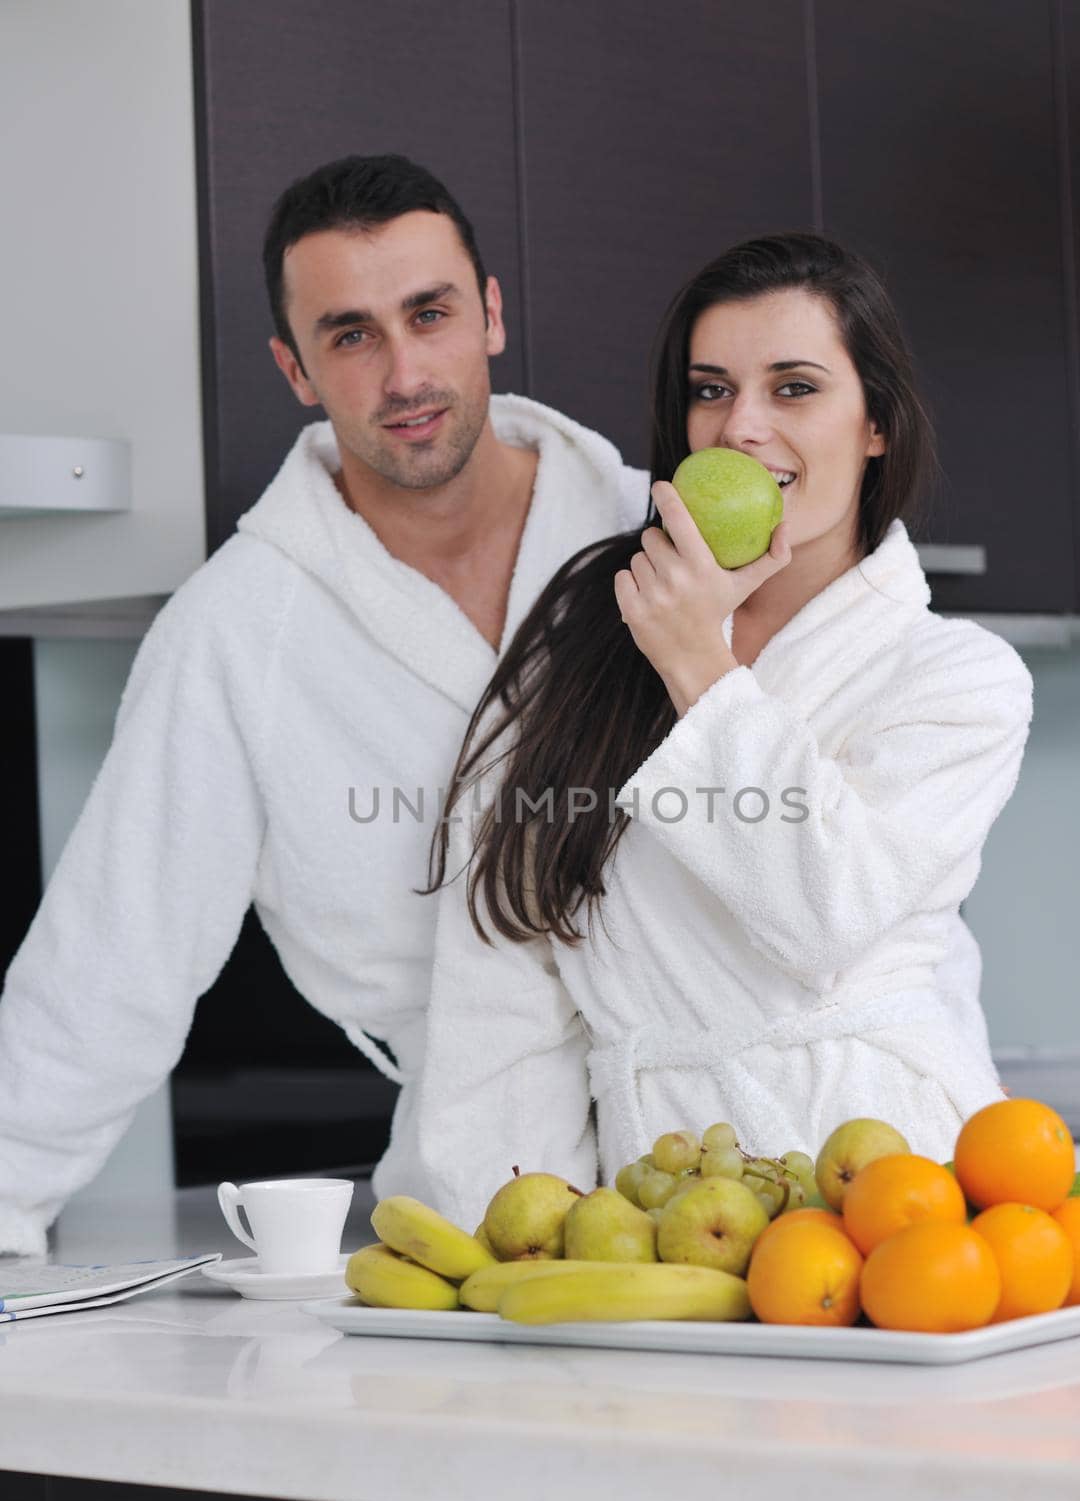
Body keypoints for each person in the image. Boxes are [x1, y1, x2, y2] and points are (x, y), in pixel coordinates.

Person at [0, 154, 649, 1256]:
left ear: (489, 314)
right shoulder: (234, 634)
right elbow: (105, 973)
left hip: (761, 1166)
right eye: (350, 335)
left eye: (429, 314)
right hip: (485, 1212)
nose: (403, 373)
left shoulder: (658, 539)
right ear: (294, 368)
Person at [401, 232, 1035, 1230]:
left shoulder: (956, 679)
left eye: (793, 388)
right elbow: (507, 961)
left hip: (892, 1190)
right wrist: (513, 1228)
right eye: (710, 389)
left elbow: (828, 910)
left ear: (875, 423)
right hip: (658, 1205)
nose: (740, 427)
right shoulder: (587, 647)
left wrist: (699, 665)